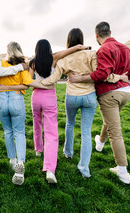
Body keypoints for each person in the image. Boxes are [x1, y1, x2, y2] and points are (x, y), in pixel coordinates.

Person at [40, 28, 126, 179]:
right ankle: (84, 168)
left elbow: (52, 79)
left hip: (72, 96)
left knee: (70, 124)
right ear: (82, 40)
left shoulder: (64, 59)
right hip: (89, 97)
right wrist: (119, 77)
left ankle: (68, 152)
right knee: (86, 132)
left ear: (69, 41)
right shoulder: (92, 54)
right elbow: (100, 75)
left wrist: (36, 83)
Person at [0, 41, 53, 185]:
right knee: (19, 132)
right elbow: (29, 84)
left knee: (7, 132)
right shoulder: (22, 66)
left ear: (8, 52)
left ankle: (12, 161)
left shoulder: (1, 65)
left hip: (0, 101)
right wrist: (48, 85)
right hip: (16, 99)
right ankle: (21, 163)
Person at [68, 22, 130, 184]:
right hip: (125, 92)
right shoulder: (125, 48)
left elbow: (101, 74)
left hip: (109, 93)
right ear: (110, 32)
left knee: (115, 131)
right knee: (111, 121)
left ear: (96, 35)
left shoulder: (103, 50)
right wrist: (124, 78)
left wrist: (79, 78)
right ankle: (99, 143)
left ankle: (122, 171)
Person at [28, 39, 87, 184]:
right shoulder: (53, 58)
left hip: (36, 97)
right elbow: (69, 50)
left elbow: (28, 82)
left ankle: (38, 150)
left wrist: (39, 84)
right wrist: (81, 47)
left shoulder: (32, 62)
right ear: (48, 48)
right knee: (51, 133)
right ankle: (49, 169)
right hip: (49, 96)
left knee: (37, 124)